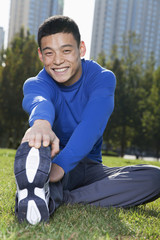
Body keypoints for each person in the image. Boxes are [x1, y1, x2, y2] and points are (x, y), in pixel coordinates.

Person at [14, 15, 160, 225]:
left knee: (154, 177)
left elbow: (92, 126)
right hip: (54, 158)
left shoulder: (102, 78)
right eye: (49, 53)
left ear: (81, 49)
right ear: (40, 55)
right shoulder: (36, 83)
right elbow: (39, 102)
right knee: (40, 158)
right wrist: (41, 123)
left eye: (66, 50)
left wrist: (60, 169)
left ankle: (56, 198)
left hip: (90, 168)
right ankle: (42, 191)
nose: (57, 60)